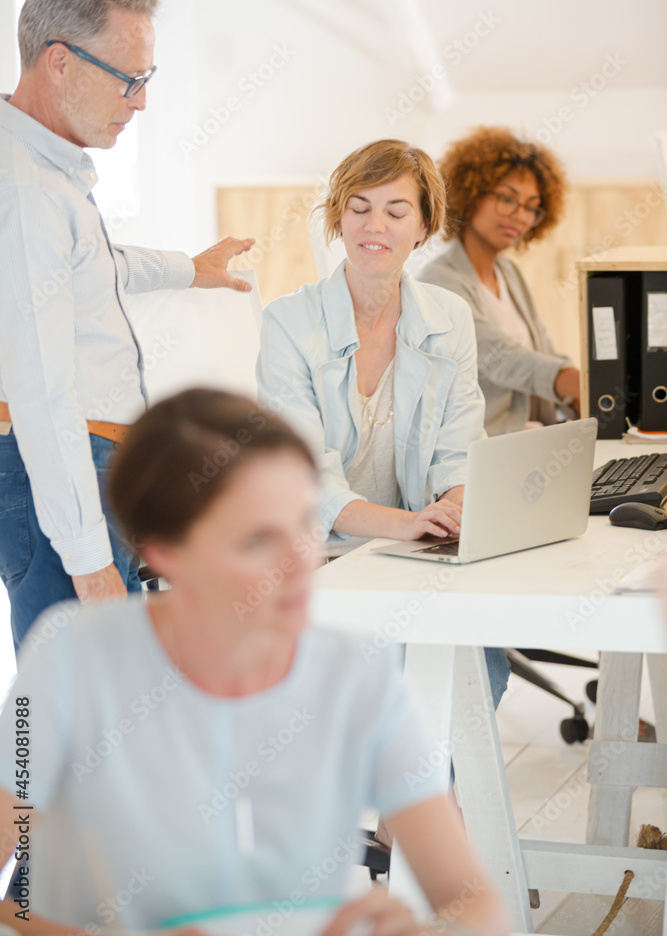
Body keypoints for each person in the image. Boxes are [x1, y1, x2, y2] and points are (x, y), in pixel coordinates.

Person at [0, 388, 511, 936]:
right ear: (163, 551)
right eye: (256, 540)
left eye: (302, 524)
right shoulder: (72, 659)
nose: (299, 562)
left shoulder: (353, 675)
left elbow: (473, 905)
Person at [0, 0, 255, 649]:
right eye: (129, 77)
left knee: (95, 703)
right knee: (64, 705)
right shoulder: (26, 192)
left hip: (83, 461)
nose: (139, 101)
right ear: (60, 62)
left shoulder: (44, 174)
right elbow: (42, 390)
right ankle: (20, 764)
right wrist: (88, 563)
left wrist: (187, 270)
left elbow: (91, 272)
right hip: (58, 462)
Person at [256, 139, 509, 712]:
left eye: (396, 211)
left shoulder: (448, 317)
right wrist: (410, 524)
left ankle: (423, 802)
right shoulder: (289, 323)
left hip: (407, 552)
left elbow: (461, 452)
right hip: (317, 557)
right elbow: (305, 485)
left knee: (479, 672)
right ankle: (410, 797)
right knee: (393, 681)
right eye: (359, 207)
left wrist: (451, 513)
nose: (375, 226)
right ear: (338, 217)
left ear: (423, 227)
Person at [416, 127, 579, 436]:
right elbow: (501, 359)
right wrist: (582, 384)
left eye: (531, 207)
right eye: (507, 199)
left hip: (536, 436)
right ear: (470, 194)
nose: (520, 216)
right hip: (485, 450)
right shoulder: (439, 281)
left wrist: (593, 388)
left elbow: (543, 350)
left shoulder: (509, 274)